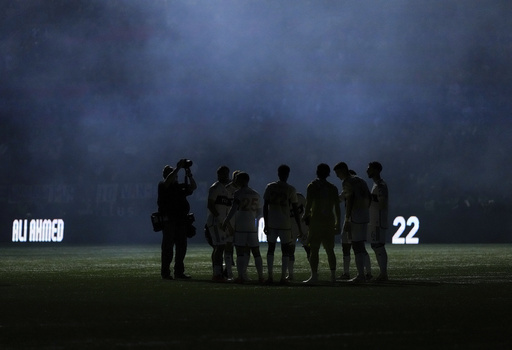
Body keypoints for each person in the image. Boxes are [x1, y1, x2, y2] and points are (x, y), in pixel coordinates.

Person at [263, 164, 303, 284]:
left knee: (271, 249)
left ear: (278, 173)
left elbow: (265, 206)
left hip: (272, 222)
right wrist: (299, 227)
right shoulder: (291, 189)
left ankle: (270, 276)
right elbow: (295, 210)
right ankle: (282, 277)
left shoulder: (270, 187)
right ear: (288, 174)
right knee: (285, 250)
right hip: (285, 223)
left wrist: (265, 223)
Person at [157, 159, 197, 280]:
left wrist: (189, 174)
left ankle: (179, 272)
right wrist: (178, 168)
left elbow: (193, 187)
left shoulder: (179, 186)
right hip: (169, 220)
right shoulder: (163, 185)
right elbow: (167, 181)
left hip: (181, 220)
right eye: (170, 173)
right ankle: (166, 272)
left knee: (181, 247)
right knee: (168, 248)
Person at [302, 163, 341, 284]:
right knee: (330, 250)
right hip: (329, 221)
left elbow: (308, 204)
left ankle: (314, 276)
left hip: (316, 222)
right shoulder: (333, 187)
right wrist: (338, 223)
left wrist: (305, 216)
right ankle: (333, 276)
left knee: (314, 249)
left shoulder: (312, 186)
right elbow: (337, 208)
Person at [222, 172, 264, 283]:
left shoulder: (238, 193)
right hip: (252, 226)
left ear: (243, 180)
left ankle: (240, 276)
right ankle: (261, 276)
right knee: (256, 251)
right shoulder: (256, 194)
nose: (236, 182)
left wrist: (226, 220)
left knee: (240, 251)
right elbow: (260, 211)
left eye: (238, 180)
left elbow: (233, 208)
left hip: (241, 225)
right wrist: (252, 215)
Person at [334, 162, 371, 283]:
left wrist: (347, 219)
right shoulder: (361, 180)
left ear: (343, 170)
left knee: (356, 246)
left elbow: (349, 200)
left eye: (338, 173)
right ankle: (366, 273)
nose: (337, 176)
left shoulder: (347, 182)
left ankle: (361, 275)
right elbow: (369, 197)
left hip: (354, 217)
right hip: (364, 216)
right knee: (360, 245)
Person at [206, 165, 232, 282]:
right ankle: (217, 274)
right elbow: (210, 205)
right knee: (220, 246)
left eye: (227, 173)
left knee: (221, 246)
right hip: (216, 222)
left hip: (223, 222)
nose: (225, 176)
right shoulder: (215, 188)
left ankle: (220, 272)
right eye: (223, 174)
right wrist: (219, 219)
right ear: (218, 175)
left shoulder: (228, 188)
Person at [367, 161, 389, 281]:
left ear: (375, 170)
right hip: (374, 220)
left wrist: (370, 199)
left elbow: (382, 204)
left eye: (369, 168)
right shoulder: (376, 185)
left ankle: (384, 273)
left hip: (378, 220)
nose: (367, 171)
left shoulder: (380, 185)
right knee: (375, 245)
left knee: (378, 246)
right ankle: (383, 273)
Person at [290, 192, 309, 279]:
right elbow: (308, 208)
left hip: (292, 226)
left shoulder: (287, 198)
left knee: (291, 250)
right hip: (301, 225)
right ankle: (314, 273)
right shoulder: (300, 197)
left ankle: (290, 274)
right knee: (308, 249)